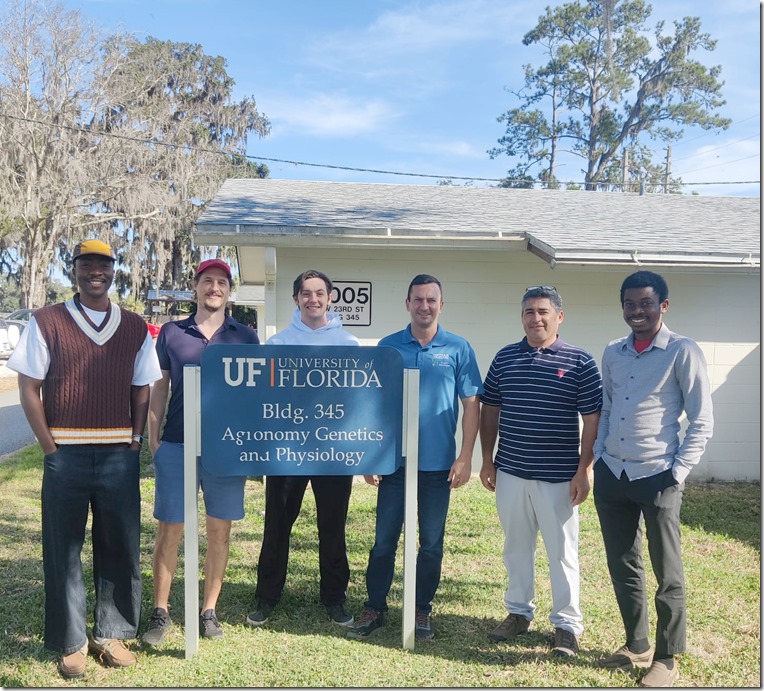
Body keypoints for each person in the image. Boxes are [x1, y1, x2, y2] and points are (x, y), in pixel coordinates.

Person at [6, 239, 161, 678]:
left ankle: (111, 634)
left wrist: (134, 442)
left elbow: (141, 387)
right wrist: (49, 447)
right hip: (65, 456)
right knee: (64, 548)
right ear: (74, 270)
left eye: (104, 264)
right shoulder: (48, 321)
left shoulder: (133, 327)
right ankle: (71, 641)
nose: (96, 271)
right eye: (87, 263)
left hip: (118, 455)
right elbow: (29, 389)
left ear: (114, 271)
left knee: (119, 545)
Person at [593, 270, 713, 688]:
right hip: (613, 473)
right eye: (630, 304)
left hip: (658, 473)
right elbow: (607, 408)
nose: (637, 311)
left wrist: (677, 472)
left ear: (663, 305)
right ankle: (637, 643)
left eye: (646, 303)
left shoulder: (683, 351)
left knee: (668, 570)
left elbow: (702, 420)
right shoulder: (613, 351)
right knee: (622, 563)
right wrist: (597, 457)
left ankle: (666, 656)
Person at [347, 274, 482, 641]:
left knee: (431, 544)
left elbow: (472, 405)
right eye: (418, 299)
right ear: (407, 304)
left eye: (431, 300)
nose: (425, 305)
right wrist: (370, 456)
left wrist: (466, 455)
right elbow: (371, 404)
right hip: (393, 464)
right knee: (383, 542)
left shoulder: (458, 349)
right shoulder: (389, 348)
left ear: (441, 304)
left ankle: (421, 609)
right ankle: (375, 606)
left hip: (439, 466)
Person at [141, 259, 260, 645]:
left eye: (221, 282)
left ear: (229, 290)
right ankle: (161, 612)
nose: (214, 288)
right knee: (170, 529)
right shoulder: (173, 333)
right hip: (176, 443)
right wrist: (153, 438)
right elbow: (160, 387)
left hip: (226, 449)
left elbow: (254, 398)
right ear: (196, 287)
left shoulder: (245, 337)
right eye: (207, 281)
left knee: (219, 531)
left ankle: (209, 610)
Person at [477, 286, 602, 657]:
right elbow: (490, 410)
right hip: (511, 472)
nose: (536, 318)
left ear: (559, 317)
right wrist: (487, 459)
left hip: (559, 478)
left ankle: (566, 626)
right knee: (516, 548)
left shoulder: (580, 361)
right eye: (529, 312)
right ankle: (518, 612)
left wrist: (584, 470)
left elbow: (592, 419)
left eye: (544, 311)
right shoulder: (504, 359)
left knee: (562, 552)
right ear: (522, 317)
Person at [246, 269, 360, 628]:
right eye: (306, 293)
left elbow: (356, 403)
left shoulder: (349, 345)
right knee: (277, 524)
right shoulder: (278, 345)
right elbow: (264, 400)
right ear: (296, 298)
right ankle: (266, 596)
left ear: (330, 298)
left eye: (319, 293)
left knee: (333, 525)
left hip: (333, 452)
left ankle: (334, 597)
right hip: (286, 451)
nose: (313, 299)